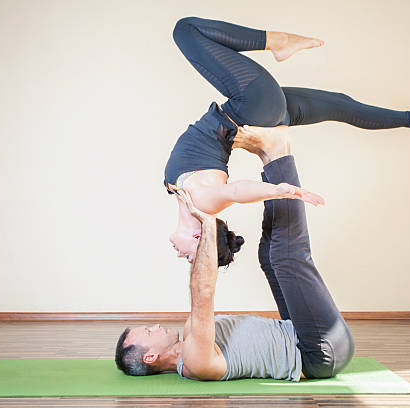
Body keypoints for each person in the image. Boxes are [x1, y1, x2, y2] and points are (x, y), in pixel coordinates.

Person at [165, 16, 410, 267]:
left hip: (255, 113)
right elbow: (237, 191)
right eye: (189, 256)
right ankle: (278, 42)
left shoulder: (184, 196)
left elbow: (231, 190)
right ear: (197, 237)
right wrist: (278, 190)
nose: (181, 256)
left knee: (339, 104)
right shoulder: (202, 204)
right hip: (250, 106)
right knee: (185, 30)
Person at [118, 128, 354, 380]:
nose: (155, 326)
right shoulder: (195, 362)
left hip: (298, 333)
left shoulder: (191, 335)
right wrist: (206, 220)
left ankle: (271, 159)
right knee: (288, 257)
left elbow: (202, 294)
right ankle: (278, 153)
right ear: (150, 357)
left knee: (269, 257)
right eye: (149, 332)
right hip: (318, 353)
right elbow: (203, 294)